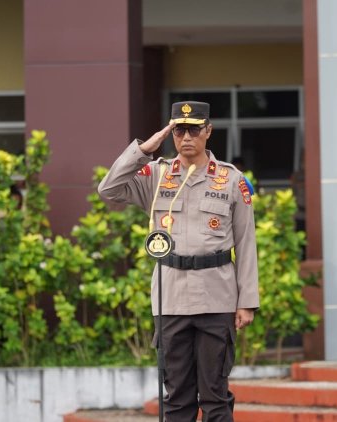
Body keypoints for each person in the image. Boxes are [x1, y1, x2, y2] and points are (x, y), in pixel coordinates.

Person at [98, 101, 260, 422]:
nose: (186, 137)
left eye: (194, 130)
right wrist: (144, 149)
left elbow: (246, 242)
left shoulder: (230, 179)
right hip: (171, 299)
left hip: (216, 298)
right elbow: (109, 189)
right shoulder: (157, 175)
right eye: (179, 130)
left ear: (208, 131)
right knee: (177, 397)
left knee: (215, 395)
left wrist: (247, 302)